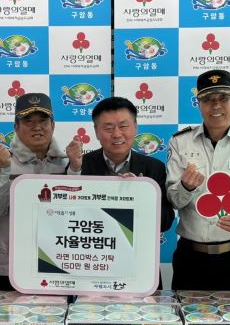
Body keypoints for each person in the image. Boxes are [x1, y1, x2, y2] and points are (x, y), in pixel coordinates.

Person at [166, 69, 230, 291]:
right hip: (191, 259)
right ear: (198, 103)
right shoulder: (180, 142)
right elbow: (173, 200)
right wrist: (185, 187)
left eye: (223, 98)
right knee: (188, 315)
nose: (216, 106)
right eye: (208, 99)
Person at [0, 92, 74, 291]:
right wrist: (4, 169)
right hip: (12, 267)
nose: (36, 127)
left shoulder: (69, 164)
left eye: (43, 121)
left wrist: (76, 169)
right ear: (16, 127)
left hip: (60, 262)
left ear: (53, 125)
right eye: (28, 121)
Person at [69, 96, 174, 235]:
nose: (117, 134)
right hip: (94, 242)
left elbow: (165, 222)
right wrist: (75, 170)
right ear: (96, 132)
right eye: (108, 128)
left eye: (123, 126)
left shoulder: (154, 168)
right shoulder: (81, 165)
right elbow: (67, 213)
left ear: (135, 128)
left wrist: (143, 195)